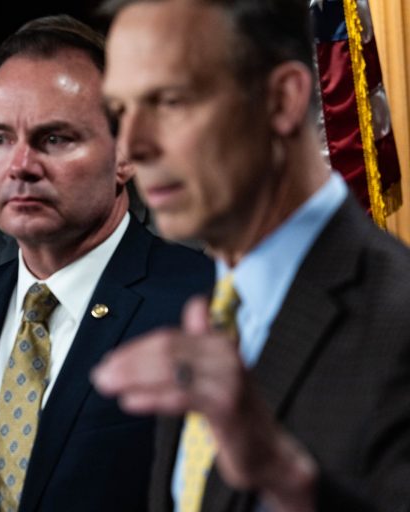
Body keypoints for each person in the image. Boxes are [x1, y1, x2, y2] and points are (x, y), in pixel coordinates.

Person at [93, 1, 410, 511]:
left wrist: (289, 482)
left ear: (282, 100)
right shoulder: (205, 308)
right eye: (121, 111)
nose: (131, 146)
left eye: (170, 101)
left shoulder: (397, 316)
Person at [0, 15, 213, 512]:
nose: (20, 165)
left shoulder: (202, 303)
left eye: (54, 139)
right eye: (0, 138)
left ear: (125, 155)